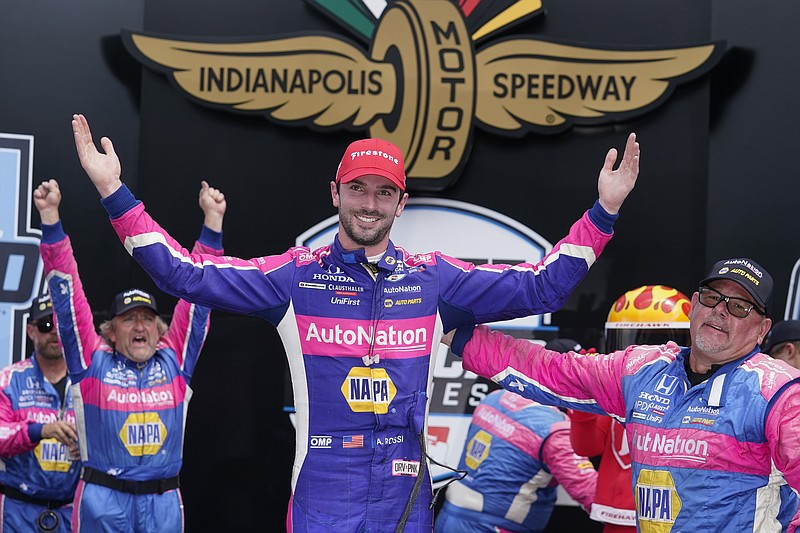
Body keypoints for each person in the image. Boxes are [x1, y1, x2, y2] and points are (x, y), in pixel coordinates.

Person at [70, 113, 640, 532]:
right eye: (359, 189)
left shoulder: (434, 281)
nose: (370, 203)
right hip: (322, 494)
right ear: (336, 193)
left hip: (404, 498)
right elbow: (183, 275)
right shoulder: (293, 278)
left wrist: (603, 212)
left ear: (401, 202)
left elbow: (542, 285)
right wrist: (112, 191)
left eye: (384, 192)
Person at [447, 258, 800, 532]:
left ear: (762, 329)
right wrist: (455, 334)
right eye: (712, 297)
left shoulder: (779, 392)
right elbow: (549, 370)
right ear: (694, 305)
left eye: (739, 307)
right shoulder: (640, 369)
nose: (721, 309)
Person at [34, 178, 226, 533]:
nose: (140, 325)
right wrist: (50, 222)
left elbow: (199, 298)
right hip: (103, 503)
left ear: (161, 330)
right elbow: (67, 299)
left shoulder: (175, 360)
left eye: (147, 318)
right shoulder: (91, 361)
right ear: (110, 331)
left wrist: (212, 224)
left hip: (163, 503)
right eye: (129, 319)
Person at [569, 285, 691, 533]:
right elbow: (586, 448)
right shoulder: (616, 393)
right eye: (634, 342)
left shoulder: (698, 398)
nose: (648, 355)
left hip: (676, 515)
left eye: (662, 343)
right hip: (620, 515)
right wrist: (583, 400)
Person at [434, 387, 597, 533]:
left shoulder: (495, 397)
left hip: (449, 515)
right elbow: (589, 493)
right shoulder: (555, 430)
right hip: (495, 526)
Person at [0, 293, 79, 532]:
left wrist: (89, 447)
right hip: (18, 510)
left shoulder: (89, 383)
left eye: (60, 324)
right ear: (30, 331)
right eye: (46, 325)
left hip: (73, 510)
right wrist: (41, 430)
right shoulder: (8, 379)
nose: (55, 332)